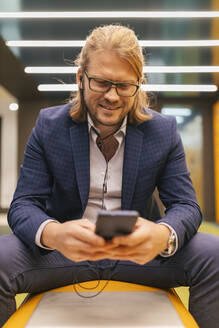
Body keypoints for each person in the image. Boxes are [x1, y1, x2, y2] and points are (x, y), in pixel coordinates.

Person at [0, 24, 219, 328]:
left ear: (138, 84)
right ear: (81, 78)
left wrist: (161, 235)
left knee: (214, 254)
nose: (113, 96)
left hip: (138, 255)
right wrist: (55, 234)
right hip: (63, 253)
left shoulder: (163, 131)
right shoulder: (49, 126)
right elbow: (23, 205)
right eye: (101, 83)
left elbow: (187, 206)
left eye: (124, 85)